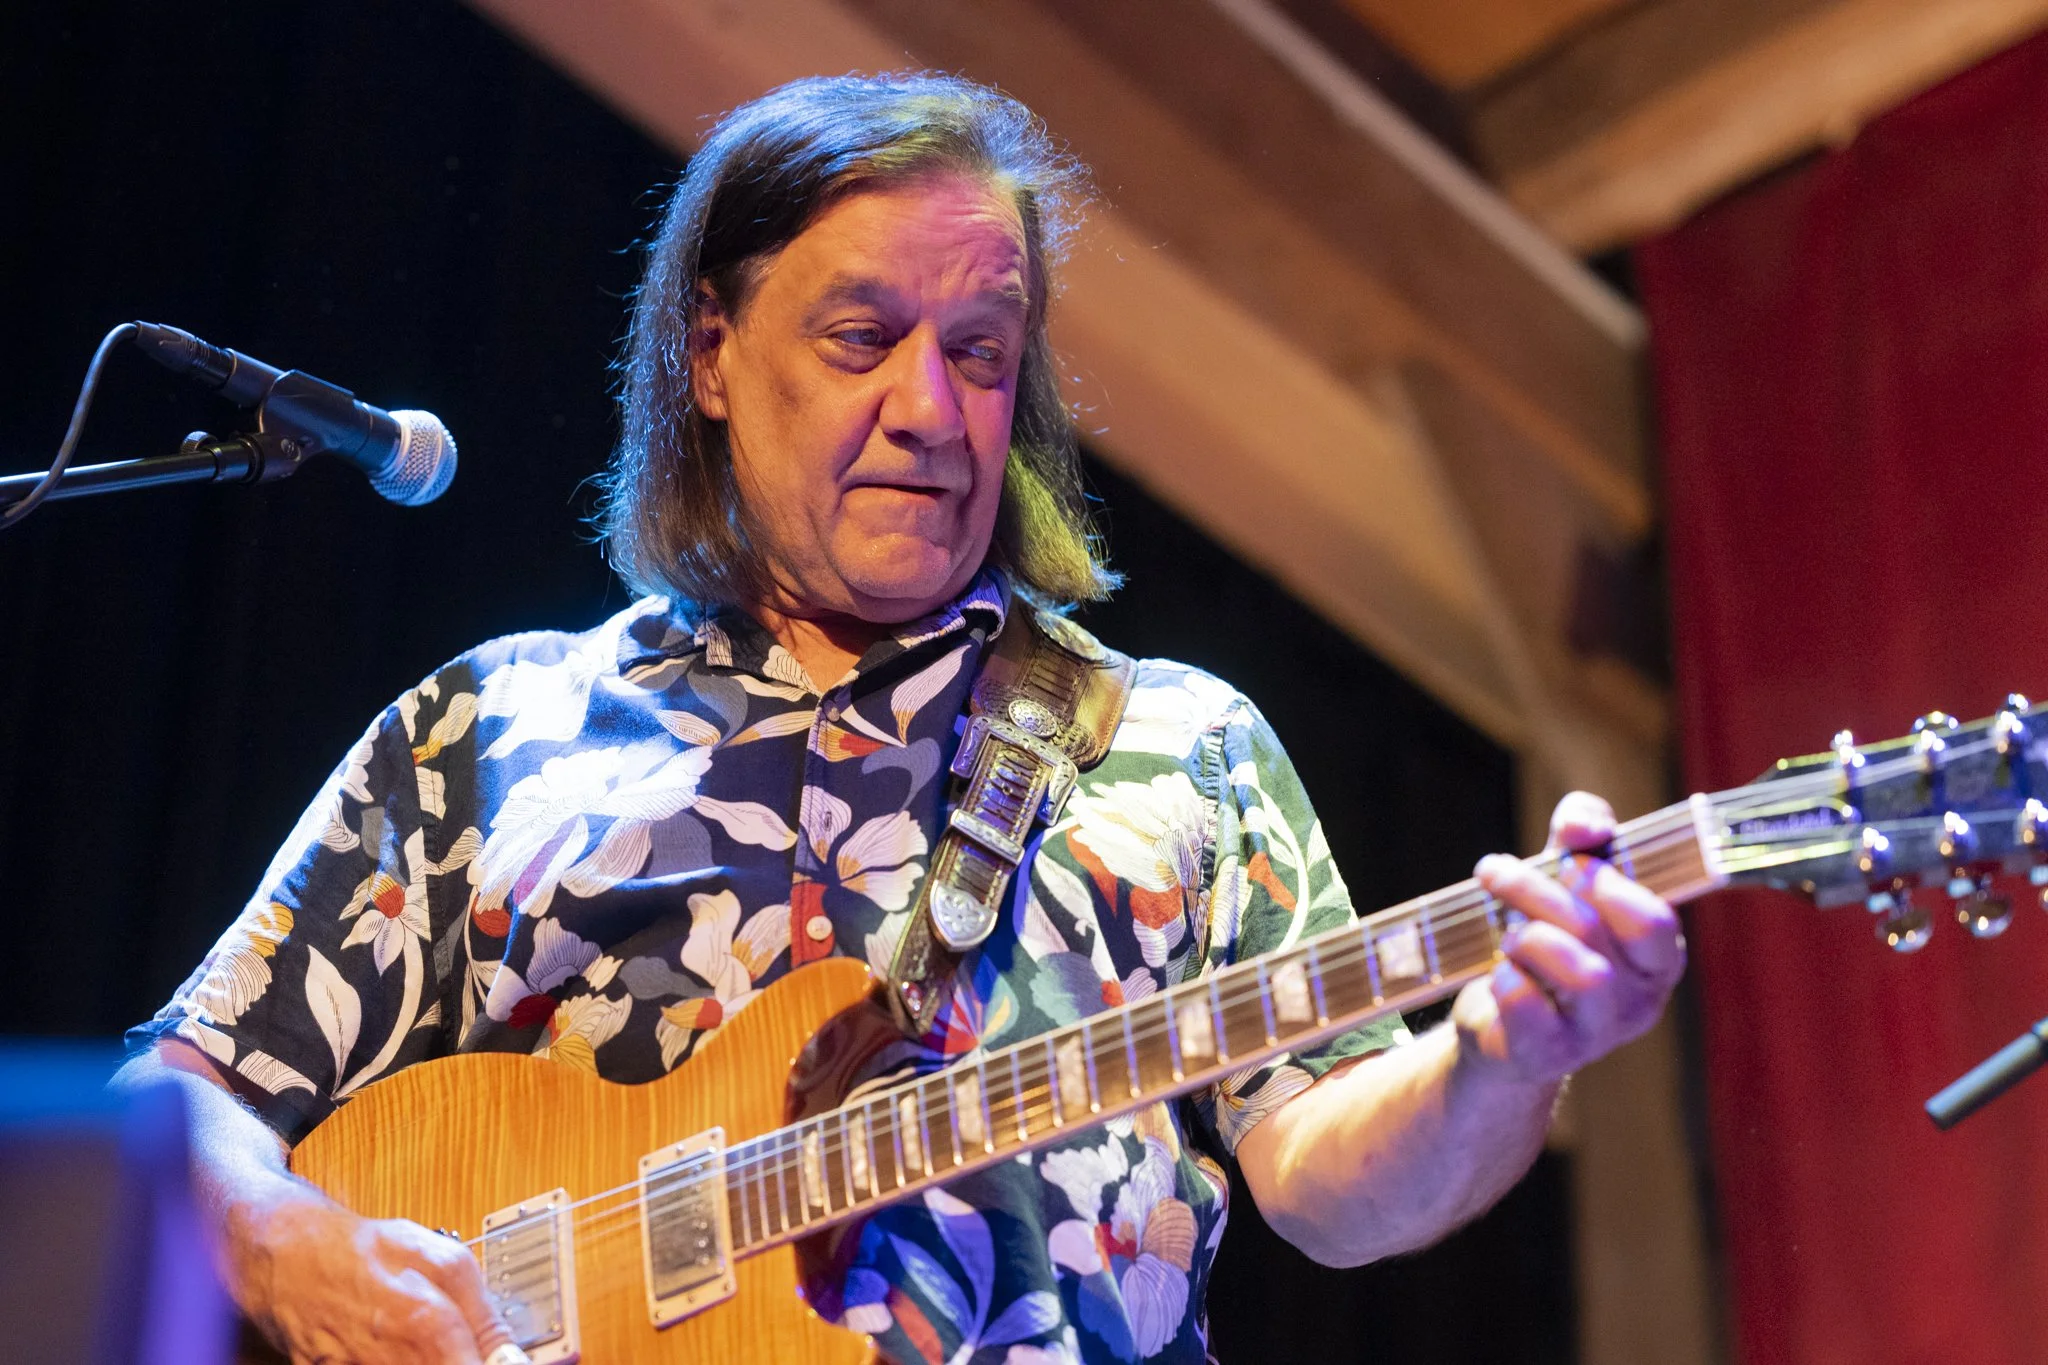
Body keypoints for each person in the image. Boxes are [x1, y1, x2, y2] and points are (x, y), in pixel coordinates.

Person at [115, 73, 1685, 1365]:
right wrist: (284, 1242)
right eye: (863, 340)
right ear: (712, 353)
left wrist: (1500, 1058)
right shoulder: (487, 727)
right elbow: (175, 1103)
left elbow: (1334, 1183)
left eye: (980, 354)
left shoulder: (1180, 753)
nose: (932, 411)